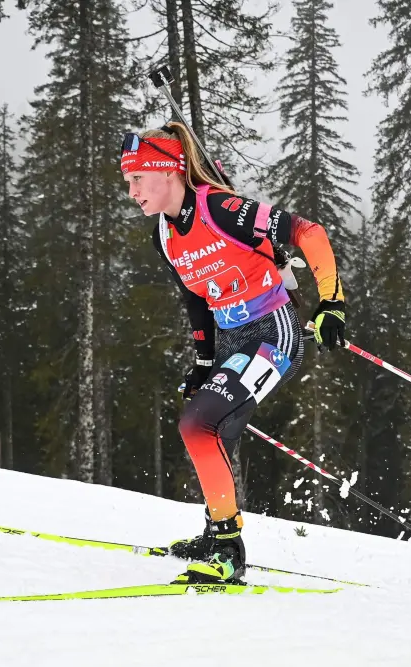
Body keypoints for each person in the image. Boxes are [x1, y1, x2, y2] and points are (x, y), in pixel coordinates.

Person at [120, 121, 348, 584]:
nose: (131, 192)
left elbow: (308, 231)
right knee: (211, 428)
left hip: (271, 331)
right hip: (230, 339)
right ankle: (214, 532)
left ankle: (228, 549)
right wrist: (204, 362)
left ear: (167, 172)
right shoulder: (164, 235)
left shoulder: (220, 209)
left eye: (137, 179)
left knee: (198, 425)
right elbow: (196, 299)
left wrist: (332, 304)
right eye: (128, 183)